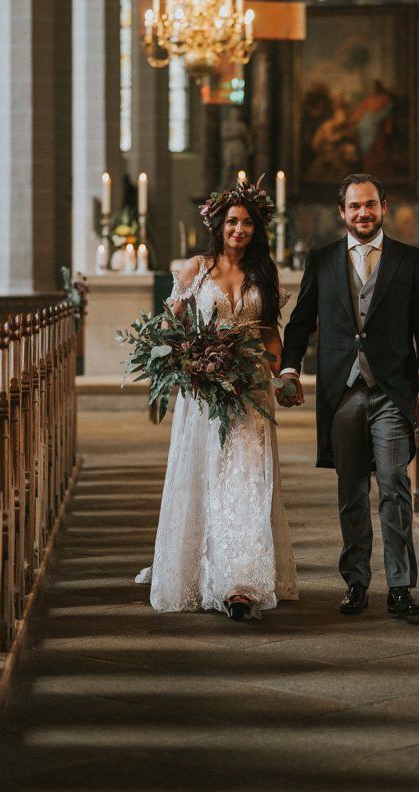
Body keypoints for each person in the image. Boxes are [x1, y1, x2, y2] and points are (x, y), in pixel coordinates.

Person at [278, 174, 419, 617]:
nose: (362, 213)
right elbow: (299, 322)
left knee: (394, 486)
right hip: (342, 391)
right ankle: (355, 582)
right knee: (350, 492)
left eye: (370, 205)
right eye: (354, 207)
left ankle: (401, 587)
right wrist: (289, 369)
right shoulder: (323, 260)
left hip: (392, 392)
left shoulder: (410, 261)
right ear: (342, 212)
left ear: (383, 207)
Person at [136, 177, 298, 621]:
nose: (239, 230)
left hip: (251, 390)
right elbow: (172, 330)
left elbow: (269, 334)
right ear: (218, 225)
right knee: (206, 476)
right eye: (232, 221)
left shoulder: (264, 273)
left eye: (247, 223)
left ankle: (239, 582)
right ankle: (197, 569)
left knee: (247, 479)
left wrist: (283, 375)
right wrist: (191, 363)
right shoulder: (196, 270)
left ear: (257, 229)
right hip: (205, 394)